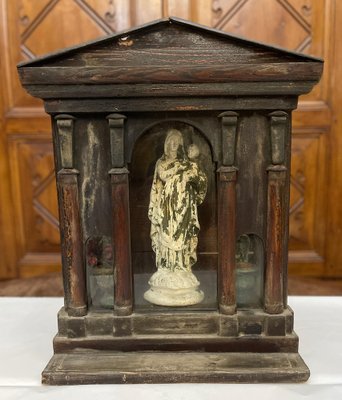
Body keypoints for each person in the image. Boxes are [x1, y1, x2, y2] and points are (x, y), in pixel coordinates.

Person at [148, 129, 207, 275]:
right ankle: (168, 266)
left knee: (183, 233)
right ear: (167, 143)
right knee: (167, 232)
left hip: (184, 204)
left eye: (177, 141)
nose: (174, 144)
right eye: (171, 140)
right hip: (167, 204)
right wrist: (181, 167)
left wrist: (193, 164)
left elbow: (199, 179)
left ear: (181, 144)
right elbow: (162, 175)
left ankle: (181, 266)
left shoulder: (187, 162)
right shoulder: (162, 162)